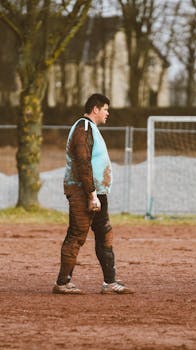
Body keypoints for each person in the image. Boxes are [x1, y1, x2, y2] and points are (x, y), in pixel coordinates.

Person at [53, 93, 134, 295]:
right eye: (106, 109)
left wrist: (97, 193)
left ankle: (110, 282)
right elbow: (82, 162)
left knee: (104, 233)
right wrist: (91, 194)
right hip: (84, 192)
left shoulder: (92, 129)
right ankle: (62, 283)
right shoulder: (84, 128)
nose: (108, 113)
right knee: (77, 234)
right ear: (95, 109)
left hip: (97, 192)